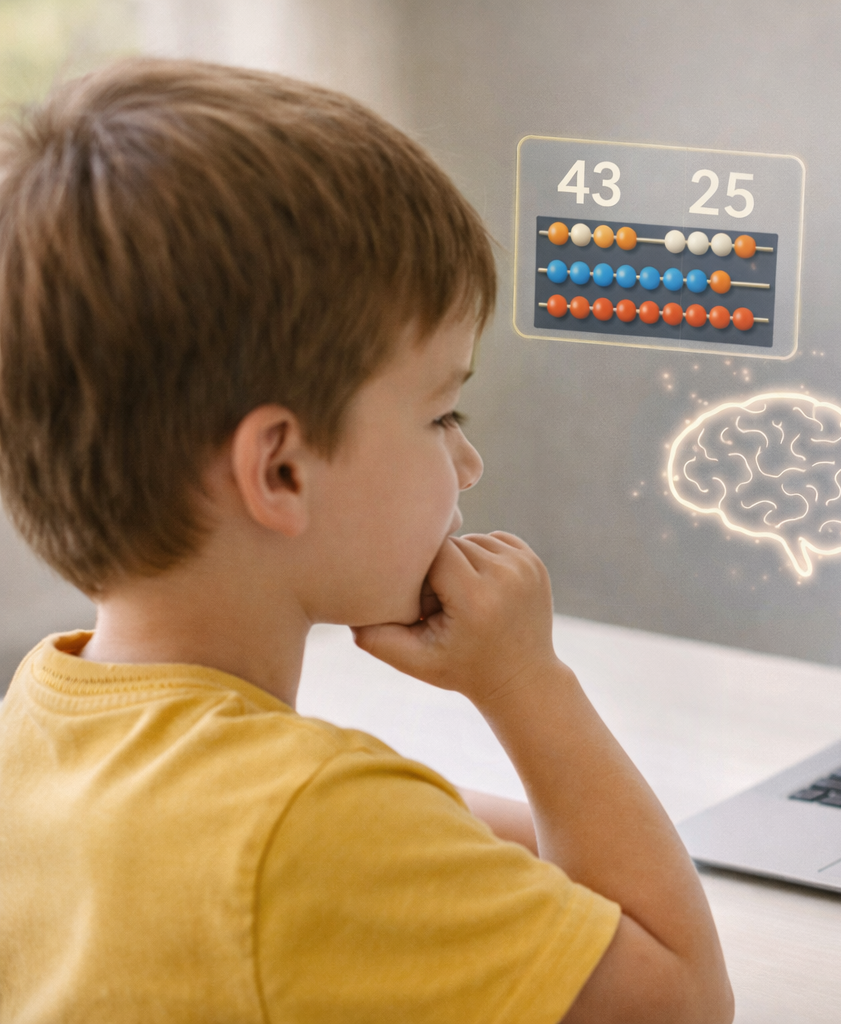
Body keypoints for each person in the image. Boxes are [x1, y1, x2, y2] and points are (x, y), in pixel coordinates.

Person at [0, 60, 732, 1023]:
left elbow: (518, 870)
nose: (467, 464)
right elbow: (680, 999)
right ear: (282, 473)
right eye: (441, 414)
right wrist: (526, 683)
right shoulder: (307, 821)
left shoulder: (43, 724)